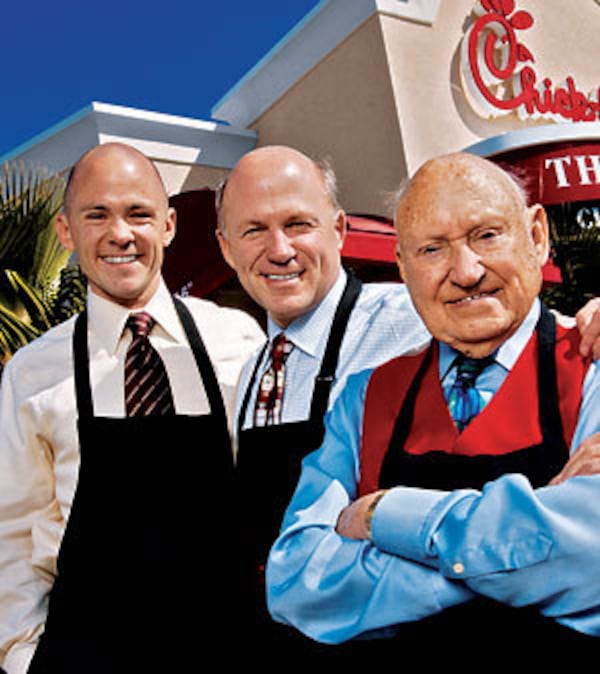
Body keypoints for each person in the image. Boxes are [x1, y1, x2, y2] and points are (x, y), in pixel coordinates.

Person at [215, 145, 600, 650]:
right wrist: (527, 564)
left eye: (486, 235)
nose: (464, 271)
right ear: (403, 265)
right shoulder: (362, 397)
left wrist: (383, 516)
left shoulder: (591, 362)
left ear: (536, 236)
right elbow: (295, 582)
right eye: (432, 249)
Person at [0, 143, 265, 674]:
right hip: (86, 654)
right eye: (97, 215)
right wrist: (23, 659)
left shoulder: (236, 339)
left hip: (230, 646)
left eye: (138, 213)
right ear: (65, 231)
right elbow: (12, 532)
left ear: (168, 225)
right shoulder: (31, 372)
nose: (120, 234)